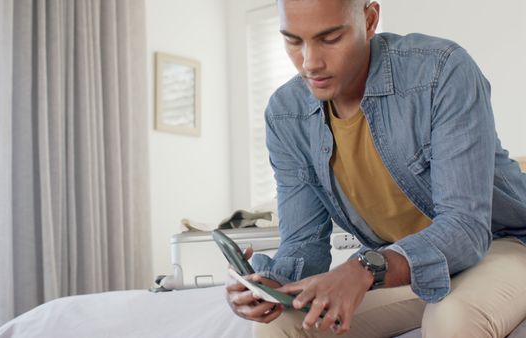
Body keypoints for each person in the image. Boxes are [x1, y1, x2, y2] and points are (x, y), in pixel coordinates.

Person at [225, 0, 526, 337]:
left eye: (330, 38)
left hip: (502, 245)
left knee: (451, 320)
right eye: (294, 41)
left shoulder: (441, 70)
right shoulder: (285, 114)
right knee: (282, 325)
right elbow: (304, 244)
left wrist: (365, 267)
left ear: (369, 20)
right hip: (402, 268)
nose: (310, 63)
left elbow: (466, 230)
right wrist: (271, 284)